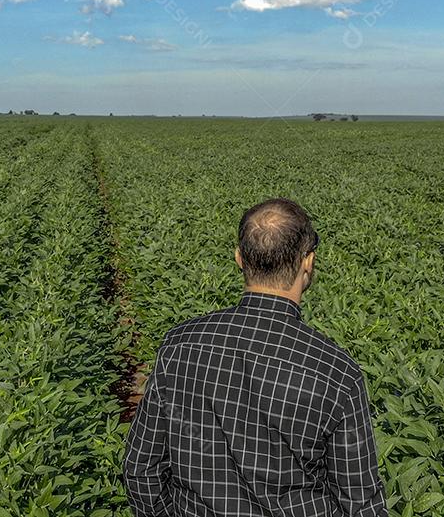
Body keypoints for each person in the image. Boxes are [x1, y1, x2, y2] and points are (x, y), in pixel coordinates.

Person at [123, 198, 388, 515]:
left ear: (239, 258)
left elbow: (141, 469)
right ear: (307, 262)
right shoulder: (336, 372)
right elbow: (361, 502)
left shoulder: (179, 345)